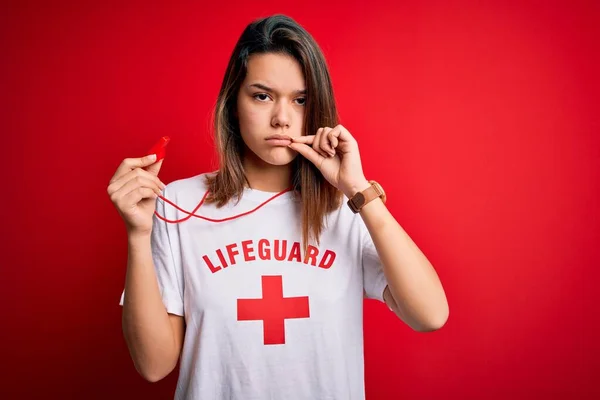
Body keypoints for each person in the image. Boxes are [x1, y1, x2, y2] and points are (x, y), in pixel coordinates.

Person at [107, 14, 448, 400]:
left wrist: (357, 190)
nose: (282, 118)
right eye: (262, 96)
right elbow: (154, 365)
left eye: (300, 100)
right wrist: (138, 234)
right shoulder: (178, 203)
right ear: (234, 103)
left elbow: (430, 315)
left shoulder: (347, 207)